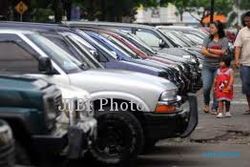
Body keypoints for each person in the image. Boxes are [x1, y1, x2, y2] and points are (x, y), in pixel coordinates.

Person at [201, 21, 229, 114]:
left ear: (218, 29)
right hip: (207, 66)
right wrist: (216, 55)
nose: (210, 29)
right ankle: (206, 103)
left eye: (212, 27)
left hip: (218, 67)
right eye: (210, 27)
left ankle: (215, 107)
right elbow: (203, 51)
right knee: (206, 87)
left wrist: (209, 50)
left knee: (217, 88)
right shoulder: (207, 38)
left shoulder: (224, 39)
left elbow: (224, 52)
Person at [234, 11, 250, 114]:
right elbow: (237, 47)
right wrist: (236, 59)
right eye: (246, 21)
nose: (247, 23)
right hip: (245, 64)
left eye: (249, 21)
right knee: (246, 86)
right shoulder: (242, 31)